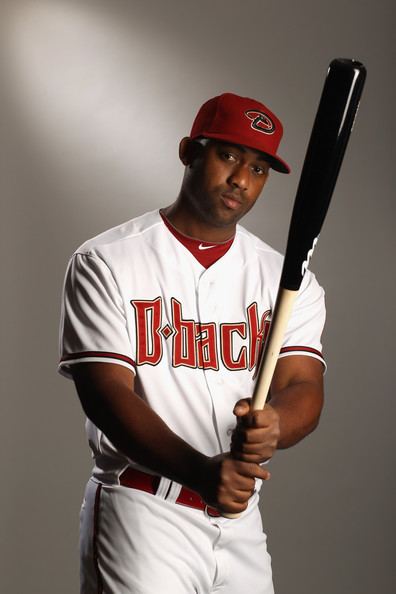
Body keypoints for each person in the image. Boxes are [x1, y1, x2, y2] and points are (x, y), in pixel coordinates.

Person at [58, 92, 326, 594]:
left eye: (259, 168)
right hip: (143, 513)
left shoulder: (287, 279)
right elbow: (106, 396)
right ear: (188, 151)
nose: (241, 180)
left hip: (239, 522)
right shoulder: (107, 261)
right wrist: (200, 472)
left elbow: (304, 384)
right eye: (228, 156)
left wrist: (278, 424)